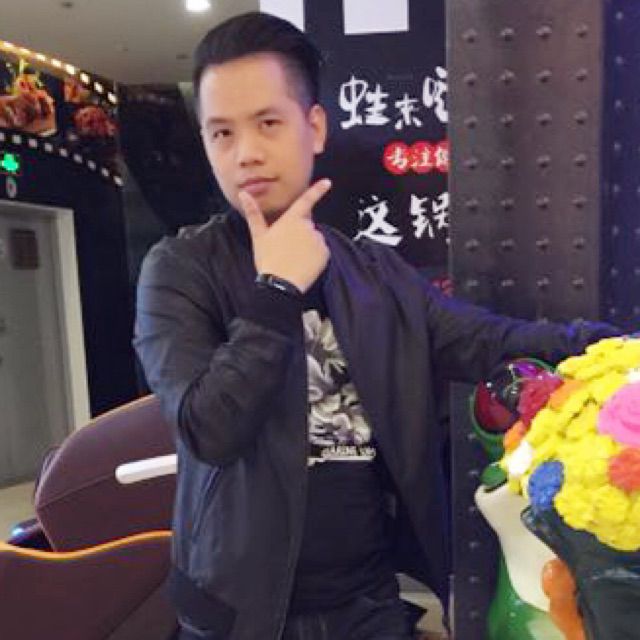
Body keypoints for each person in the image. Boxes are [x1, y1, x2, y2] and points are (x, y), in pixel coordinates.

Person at [133, 11, 616, 640]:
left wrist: (614, 346)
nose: (245, 152)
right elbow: (208, 430)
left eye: (268, 123)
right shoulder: (179, 269)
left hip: (369, 603)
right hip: (237, 614)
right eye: (221, 132)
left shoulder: (372, 273)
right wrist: (277, 290)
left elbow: (487, 341)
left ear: (314, 127)